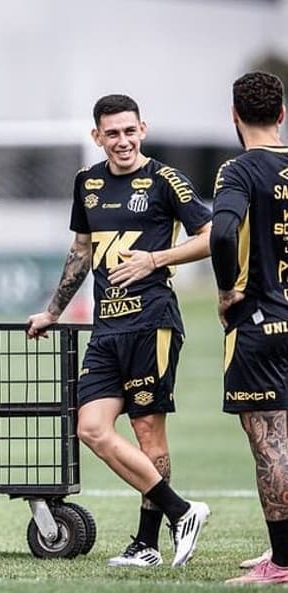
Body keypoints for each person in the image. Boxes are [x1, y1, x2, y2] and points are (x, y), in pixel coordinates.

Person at [26, 94, 211, 568]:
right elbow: (81, 251)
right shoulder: (86, 183)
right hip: (106, 327)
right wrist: (53, 311)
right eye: (112, 133)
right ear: (97, 136)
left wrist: (156, 259)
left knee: (148, 431)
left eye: (130, 131)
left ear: (142, 129)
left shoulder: (166, 179)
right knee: (91, 428)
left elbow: (213, 236)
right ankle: (181, 511)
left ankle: (147, 545)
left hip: (152, 322)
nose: (123, 140)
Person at [211, 71, 288, 585]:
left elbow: (222, 232)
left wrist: (226, 291)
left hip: (262, 323)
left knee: (272, 443)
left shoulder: (238, 170)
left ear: (234, 116)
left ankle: (281, 563)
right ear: (282, 114)